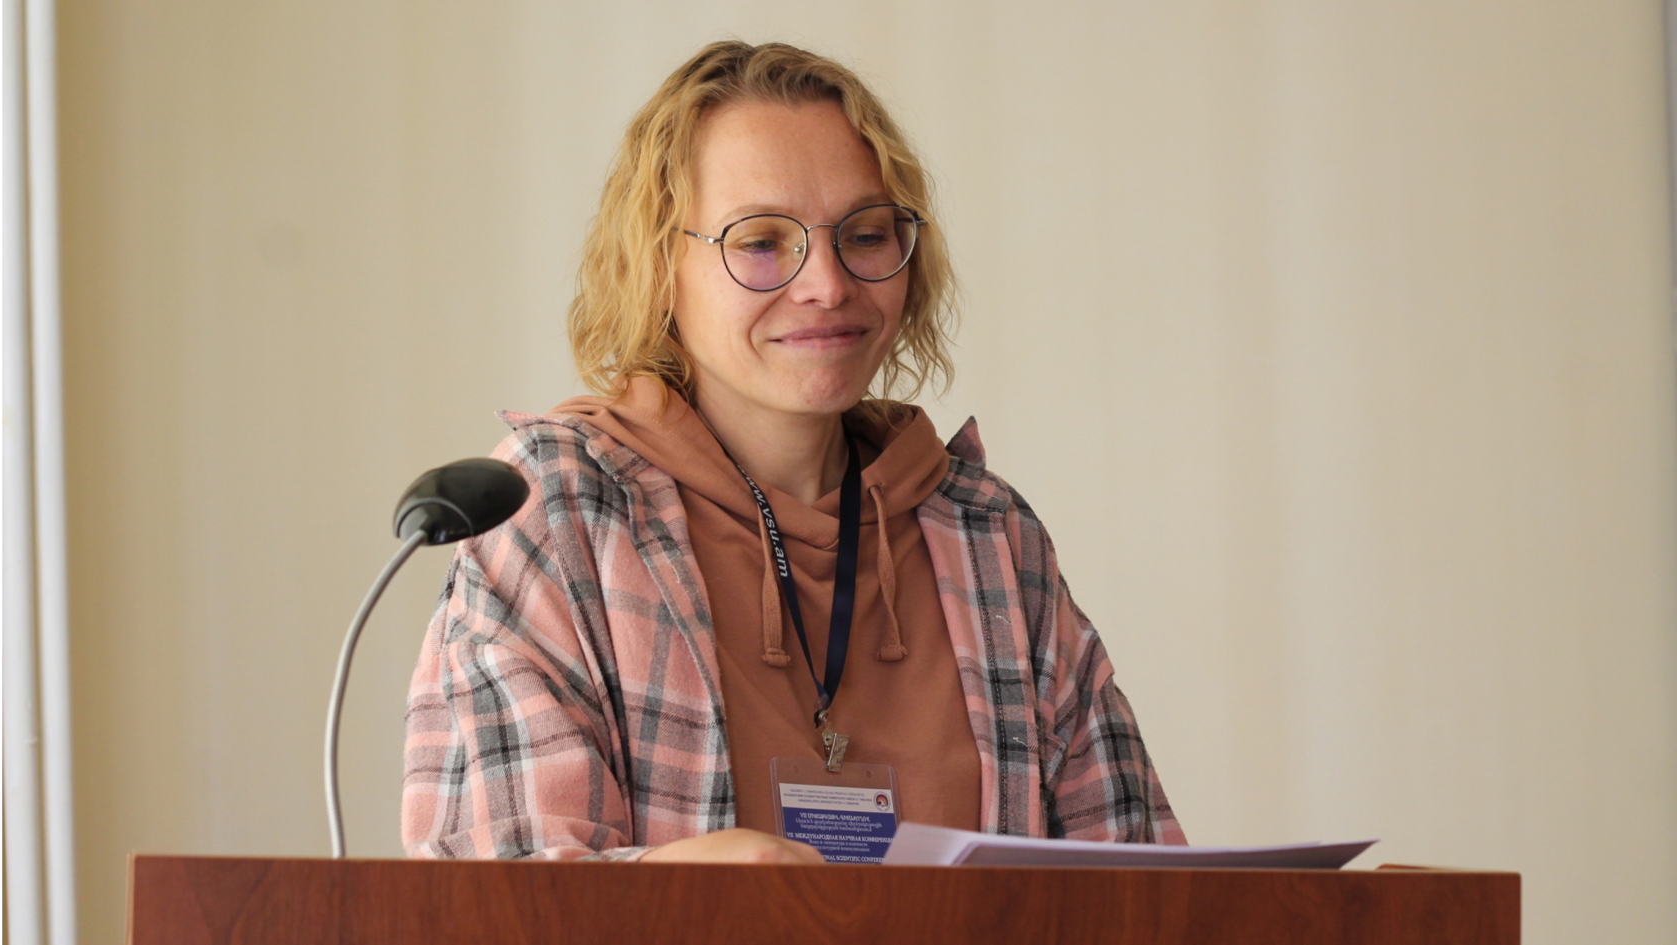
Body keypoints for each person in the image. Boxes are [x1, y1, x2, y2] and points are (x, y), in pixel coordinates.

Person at [401, 40, 1184, 864]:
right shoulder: (556, 512)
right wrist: (679, 890)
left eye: (866, 234)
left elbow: (1148, 888)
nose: (828, 285)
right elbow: (494, 893)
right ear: (659, 265)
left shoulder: (992, 536)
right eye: (762, 241)